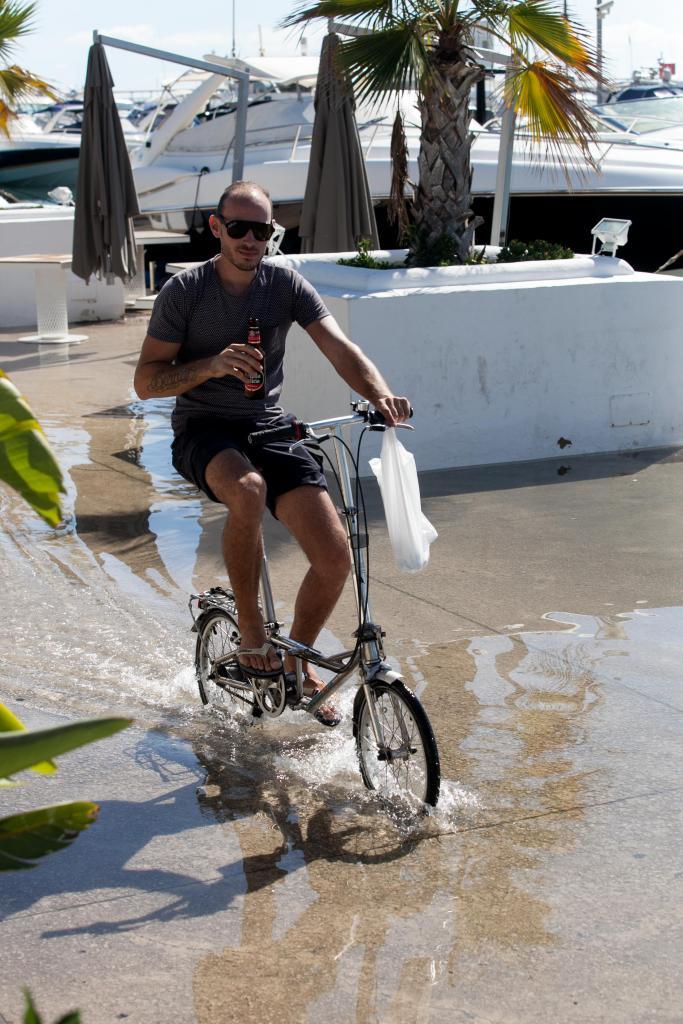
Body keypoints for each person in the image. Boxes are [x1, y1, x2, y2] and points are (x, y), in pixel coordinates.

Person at [134, 181, 410, 725]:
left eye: (263, 230)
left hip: (269, 428)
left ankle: (293, 661)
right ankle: (252, 633)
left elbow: (339, 347)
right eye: (239, 228)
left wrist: (378, 393)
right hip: (204, 430)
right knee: (248, 491)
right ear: (216, 228)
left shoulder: (283, 284)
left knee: (335, 559)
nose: (251, 240)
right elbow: (146, 382)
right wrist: (210, 365)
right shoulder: (185, 293)